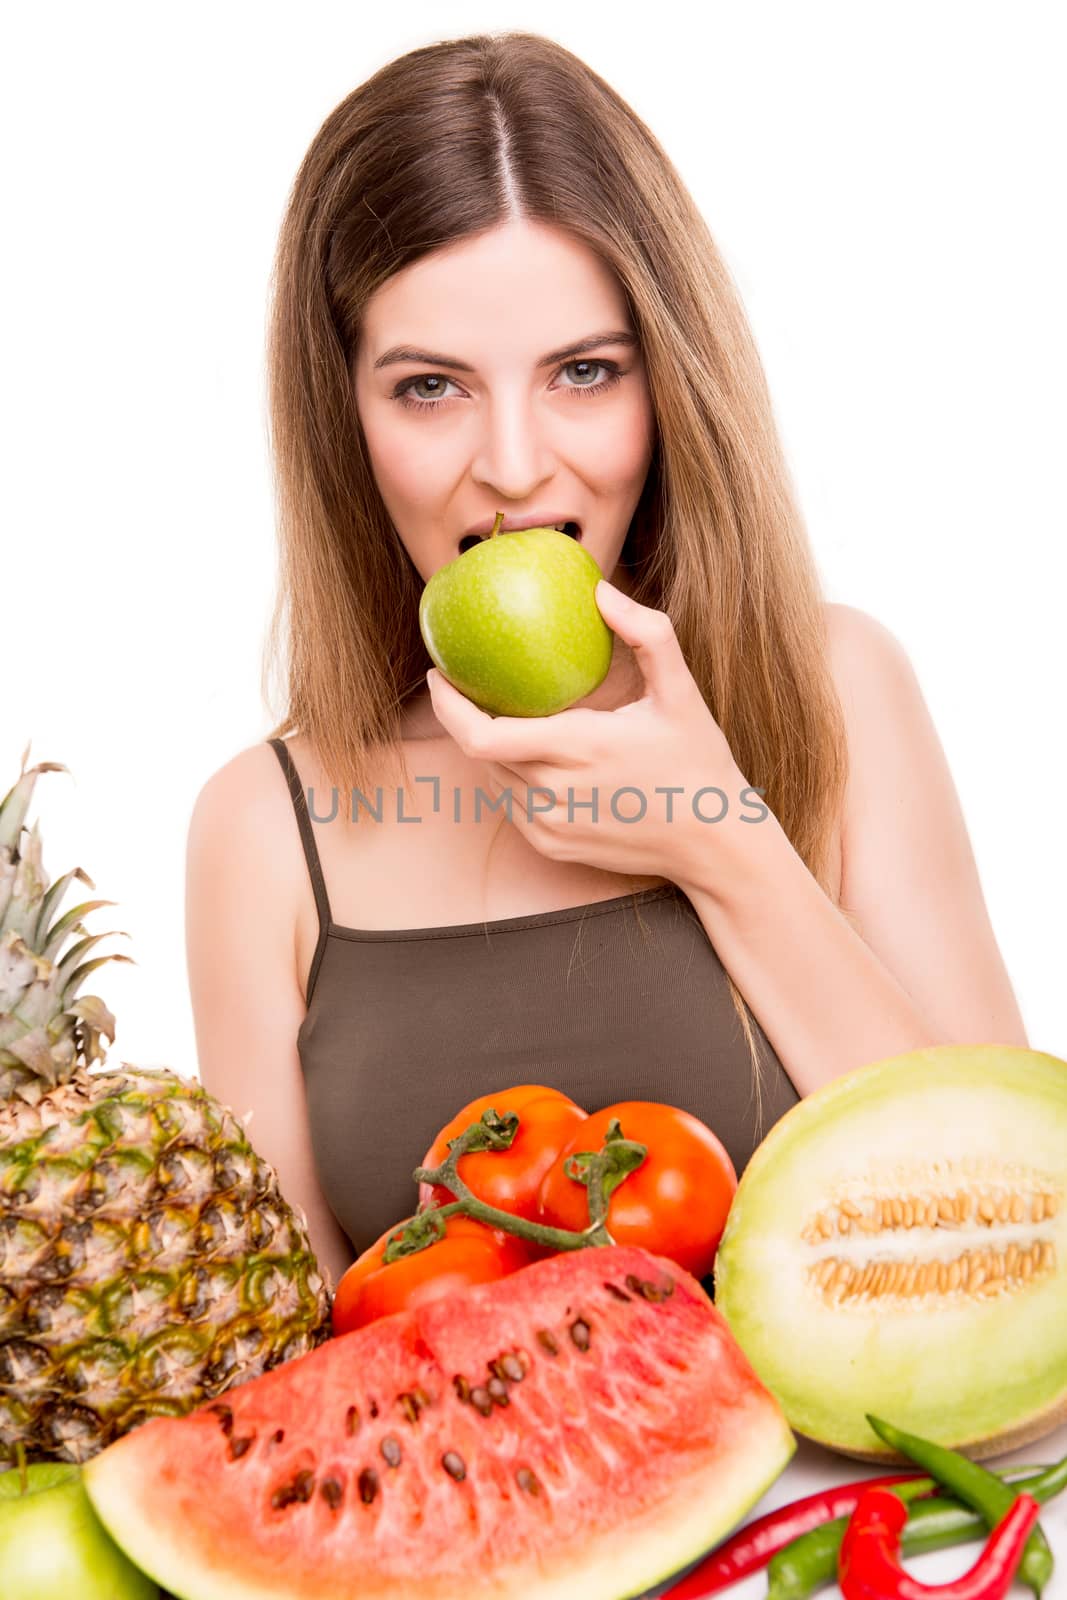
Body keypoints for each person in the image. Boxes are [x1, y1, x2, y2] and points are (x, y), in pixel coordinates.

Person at [184, 31, 1028, 1289]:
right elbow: (276, 1373)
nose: (515, 463)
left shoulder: (838, 689)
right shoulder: (263, 827)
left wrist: (715, 837)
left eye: (584, 372)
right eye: (428, 387)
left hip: (860, 1500)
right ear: (341, 416)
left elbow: (1019, 1256)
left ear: (667, 385)